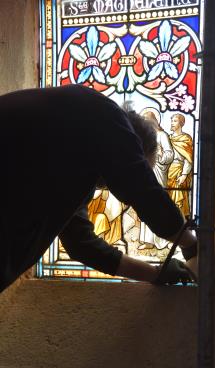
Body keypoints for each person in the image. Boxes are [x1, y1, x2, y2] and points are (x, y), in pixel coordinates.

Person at [0, 85, 197, 292]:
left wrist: (156, 274)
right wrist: (191, 245)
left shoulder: (71, 162)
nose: (109, 187)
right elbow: (142, 190)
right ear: (130, 146)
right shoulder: (103, 113)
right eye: (139, 165)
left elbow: (81, 245)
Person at [138, 108, 173, 251]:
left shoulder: (162, 135)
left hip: (158, 171)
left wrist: (159, 157)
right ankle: (147, 241)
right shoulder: (142, 135)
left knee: (156, 202)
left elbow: (169, 154)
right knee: (145, 202)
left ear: (155, 120)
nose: (145, 122)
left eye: (148, 119)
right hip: (146, 170)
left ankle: (162, 240)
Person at [167, 113, 193, 218]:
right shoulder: (168, 138)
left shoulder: (186, 138)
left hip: (179, 171)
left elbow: (189, 159)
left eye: (175, 121)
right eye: (171, 120)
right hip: (167, 172)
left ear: (181, 123)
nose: (172, 123)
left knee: (178, 199)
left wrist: (184, 174)